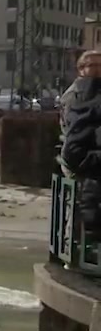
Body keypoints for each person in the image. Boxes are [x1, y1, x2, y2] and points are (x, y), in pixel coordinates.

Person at [59, 49, 101, 253]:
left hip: (86, 154)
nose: (99, 70)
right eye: (95, 65)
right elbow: (76, 129)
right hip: (79, 157)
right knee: (79, 206)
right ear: (81, 69)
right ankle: (74, 250)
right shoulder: (75, 94)